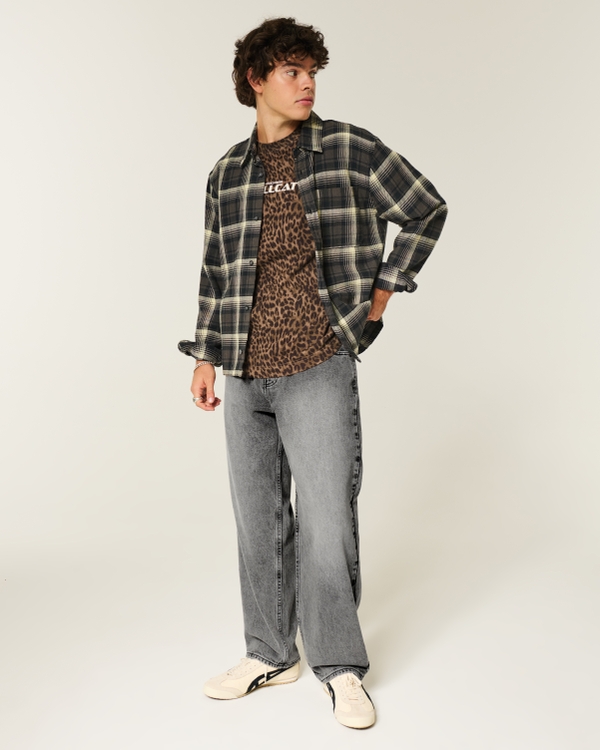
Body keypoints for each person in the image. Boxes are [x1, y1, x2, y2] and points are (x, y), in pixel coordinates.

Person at [179, 17, 447, 730]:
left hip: (317, 364)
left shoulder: (349, 148)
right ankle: (270, 652)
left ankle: (340, 665)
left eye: (312, 72)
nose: (307, 85)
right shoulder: (227, 173)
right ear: (256, 80)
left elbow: (425, 209)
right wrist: (205, 355)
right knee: (258, 521)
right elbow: (215, 271)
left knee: (327, 524)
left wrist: (382, 293)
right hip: (244, 369)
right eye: (292, 72)